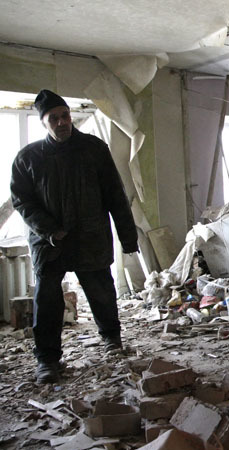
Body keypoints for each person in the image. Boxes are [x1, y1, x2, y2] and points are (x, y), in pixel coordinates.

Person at [10, 89, 139, 384]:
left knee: (101, 292)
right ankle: (48, 360)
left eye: (65, 115)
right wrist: (49, 229)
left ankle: (111, 340)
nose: (61, 122)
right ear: (43, 122)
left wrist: (128, 238)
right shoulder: (28, 158)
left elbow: (115, 196)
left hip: (89, 236)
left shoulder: (94, 149)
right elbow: (22, 201)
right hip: (49, 241)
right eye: (53, 118)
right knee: (47, 300)